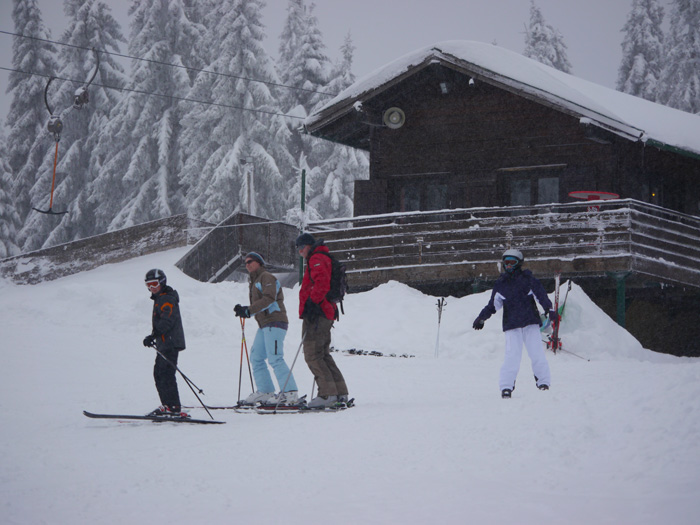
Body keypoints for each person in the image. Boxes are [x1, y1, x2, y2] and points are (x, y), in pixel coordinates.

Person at [472, 249, 558, 399]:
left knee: (536, 353)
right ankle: (506, 386)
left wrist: (549, 310)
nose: (509, 265)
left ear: (519, 263)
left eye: (512, 262)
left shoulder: (528, 280)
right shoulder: (501, 284)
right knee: (512, 356)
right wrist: (482, 318)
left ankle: (543, 382)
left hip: (530, 322)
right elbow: (493, 305)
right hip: (512, 325)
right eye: (506, 262)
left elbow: (541, 296)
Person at [234, 252, 299, 406]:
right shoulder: (255, 280)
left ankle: (290, 393)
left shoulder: (266, 277)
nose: (247, 264)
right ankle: (265, 391)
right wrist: (246, 309)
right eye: (246, 262)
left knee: (275, 357)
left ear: (259, 262)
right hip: (264, 324)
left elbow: (269, 298)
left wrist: (249, 310)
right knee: (256, 357)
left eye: (250, 261)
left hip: (275, 322)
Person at [296, 232, 349, 408]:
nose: (300, 252)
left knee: (312, 354)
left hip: (318, 313)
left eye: (302, 248)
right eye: (298, 249)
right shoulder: (320, 256)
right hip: (324, 312)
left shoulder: (316, 258)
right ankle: (340, 392)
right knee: (323, 354)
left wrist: (312, 303)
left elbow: (321, 283)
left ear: (309, 246)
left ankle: (327, 394)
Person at [142, 269, 188, 417]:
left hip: (169, 342)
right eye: (148, 285)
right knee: (160, 373)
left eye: (154, 284)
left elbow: (167, 320)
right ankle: (168, 405)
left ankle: (173, 406)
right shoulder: (160, 298)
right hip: (165, 342)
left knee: (165, 373)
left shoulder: (166, 299)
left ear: (162, 282)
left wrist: (153, 335)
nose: (152, 288)